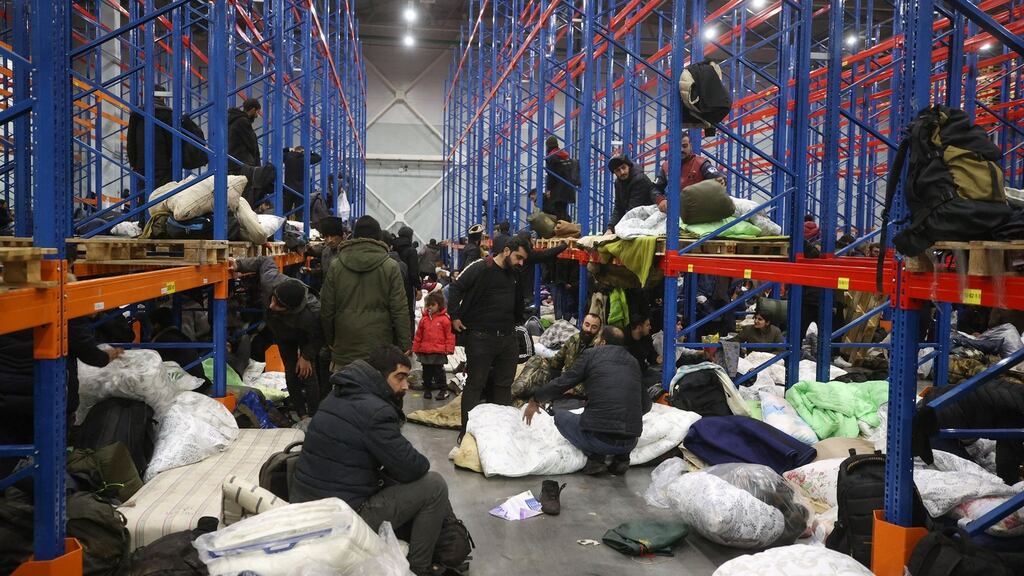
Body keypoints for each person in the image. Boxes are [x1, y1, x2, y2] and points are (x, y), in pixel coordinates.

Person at [290, 346, 453, 576]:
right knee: (434, 485)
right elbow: (413, 468)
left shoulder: (337, 394)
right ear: (379, 376)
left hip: (305, 503)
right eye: (400, 377)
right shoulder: (376, 412)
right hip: (342, 518)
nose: (405, 386)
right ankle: (419, 569)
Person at [0, 318, 123, 476]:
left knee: (8, 456)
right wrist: (105, 356)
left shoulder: (7, 301)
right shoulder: (62, 299)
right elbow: (84, 347)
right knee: (46, 464)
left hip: (6, 393)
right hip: (46, 394)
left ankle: (10, 492)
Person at [524, 326, 650, 475]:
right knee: (601, 420)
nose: (595, 341)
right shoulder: (633, 362)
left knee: (561, 417)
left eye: (597, 338)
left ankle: (595, 458)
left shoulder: (591, 355)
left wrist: (536, 399)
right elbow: (646, 405)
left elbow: (563, 382)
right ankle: (621, 459)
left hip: (600, 440)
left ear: (602, 342)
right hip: (631, 441)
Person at [448, 234, 531, 437]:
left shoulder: (514, 274)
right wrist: (454, 316)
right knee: (476, 384)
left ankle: (497, 433)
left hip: (507, 339)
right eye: (518, 257)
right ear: (506, 251)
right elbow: (456, 287)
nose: (520, 263)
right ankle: (467, 432)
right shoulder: (481, 268)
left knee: (503, 386)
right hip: (480, 338)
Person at [233, 256, 324, 418]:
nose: (271, 306)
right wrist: (239, 264)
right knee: (291, 370)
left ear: (291, 309)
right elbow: (264, 261)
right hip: (282, 332)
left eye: (278, 306)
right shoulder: (271, 282)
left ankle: (314, 416)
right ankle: (301, 414)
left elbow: (320, 335)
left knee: (307, 372)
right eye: (273, 300)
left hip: (305, 335)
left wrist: (306, 356)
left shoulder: (312, 313)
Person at [321, 215, 411, 371]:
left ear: (354, 236)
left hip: (344, 346)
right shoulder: (390, 266)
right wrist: (404, 344)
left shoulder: (336, 266)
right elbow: (400, 309)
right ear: (378, 237)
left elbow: (327, 307)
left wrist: (330, 339)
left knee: (346, 390)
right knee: (377, 391)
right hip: (379, 348)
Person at [653, 134, 726, 211]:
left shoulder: (701, 163)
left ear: (690, 146)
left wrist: (721, 180)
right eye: (678, 146)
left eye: (684, 146)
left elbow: (718, 177)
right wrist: (660, 200)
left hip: (697, 208)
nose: (681, 149)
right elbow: (654, 188)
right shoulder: (666, 166)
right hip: (672, 209)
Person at [413, 291, 455, 401]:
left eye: (433, 305)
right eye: (428, 305)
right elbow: (419, 335)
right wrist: (416, 347)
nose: (430, 307)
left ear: (439, 305)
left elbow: (450, 335)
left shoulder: (445, 320)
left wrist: (449, 348)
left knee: (438, 372)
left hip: (438, 351)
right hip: (425, 350)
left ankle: (443, 389)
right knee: (426, 372)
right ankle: (427, 389)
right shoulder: (424, 319)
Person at [606, 155, 656, 233]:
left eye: (623, 168)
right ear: (614, 173)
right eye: (617, 170)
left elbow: (633, 209)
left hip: (649, 220)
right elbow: (618, 207)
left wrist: (616, 229)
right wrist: (610, 228)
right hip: (636, 219)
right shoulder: (618, 182)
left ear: (629, 166)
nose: (622, 172)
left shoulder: (639, 179)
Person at [392, 226, 422, 333]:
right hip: (407, 286)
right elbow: (414, 272)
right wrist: (418, 288)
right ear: (410, 236)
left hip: (393, 284)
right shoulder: (411, 250)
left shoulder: (392, 247)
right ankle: (409, 340)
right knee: (409, 313)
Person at [282, 146, 323, 216]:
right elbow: (319, 158)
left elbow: (280, 152)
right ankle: (298, 226)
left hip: (288, 189)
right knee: (299, 214)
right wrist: (309, 151)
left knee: (285, 212)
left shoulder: (287, 157)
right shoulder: (305, 158)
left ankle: (284, 226)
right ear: (302, 151)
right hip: (301, 191)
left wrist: (288, 149)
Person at [543, 135, 575, 222]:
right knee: (563, 210)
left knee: (558, 212)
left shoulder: (551, 157)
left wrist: (549, 189)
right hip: (568, 188)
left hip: (558, 190)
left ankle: (563, 230)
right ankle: (567, 228)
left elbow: (551, 175)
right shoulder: (565, 155)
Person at [227, 98, 261, 175]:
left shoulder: (233, 120)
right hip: (242, 164)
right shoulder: (243, 121)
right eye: (257, 112)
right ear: (252, 109)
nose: (256, 115)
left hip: (232, 163)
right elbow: (252, 144)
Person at [625, 316, 662, 387]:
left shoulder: (647, 338)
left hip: (643, 370)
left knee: (663, 378)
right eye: (647, 325)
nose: (650, 327)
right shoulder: (624, 339)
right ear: (639, 328)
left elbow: (651, 354)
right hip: (628, 374)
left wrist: (656, 358)